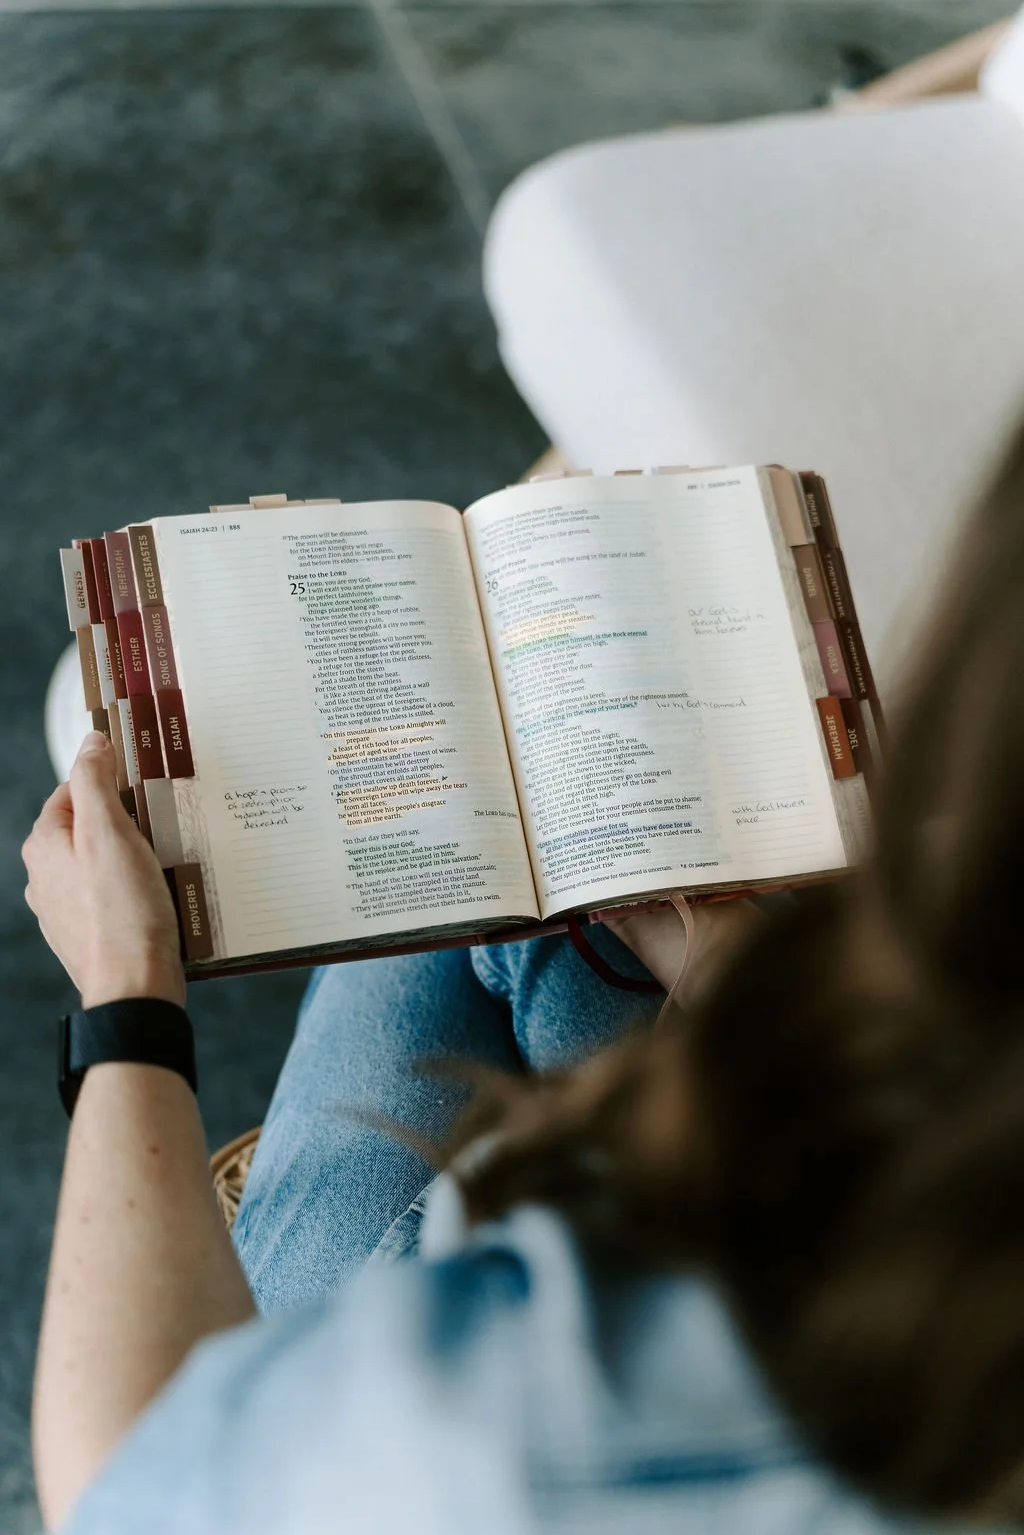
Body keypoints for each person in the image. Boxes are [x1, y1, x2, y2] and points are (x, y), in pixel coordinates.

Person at [22, 424, 1024, 1533]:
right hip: (776, 1199)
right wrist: (711, 956)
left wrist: (125, 991)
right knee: (541, 903)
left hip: (398, 1397)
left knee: (474, 873)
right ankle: (523, 590)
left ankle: (509, 575)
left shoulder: (567, 1424)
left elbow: (128, 1489)